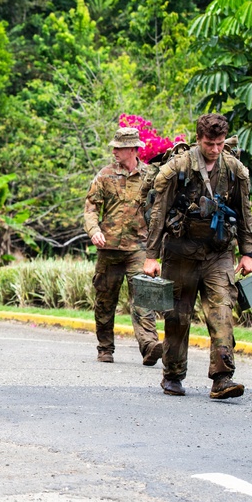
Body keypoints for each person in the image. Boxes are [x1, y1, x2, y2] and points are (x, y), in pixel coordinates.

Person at [143, 113, 252, 400]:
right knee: (177, 316)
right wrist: (151, 256)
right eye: (209, 143)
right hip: (179, 253)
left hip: (217, 255)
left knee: (222, 314)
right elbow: (157, 214)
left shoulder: (234, 169)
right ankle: (173, 374)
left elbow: (245, 212)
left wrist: (247, 253)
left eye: (219, 143)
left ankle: (222, 377)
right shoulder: (178, 167)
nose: (214, 149)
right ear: (198, 140)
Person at [83, 126, 161, 365]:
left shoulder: (150, 176)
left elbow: (159, 211)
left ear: (132, 149)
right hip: (109, 248)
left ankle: (149, 346)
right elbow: (90, 208)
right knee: (105, 300)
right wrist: (94, 230)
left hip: (139, 248)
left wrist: (157, 249)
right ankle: (105, 348)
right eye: (114, 147)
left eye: (119, 147)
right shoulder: (105, 175)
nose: (114, 151)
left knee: (144, 297)